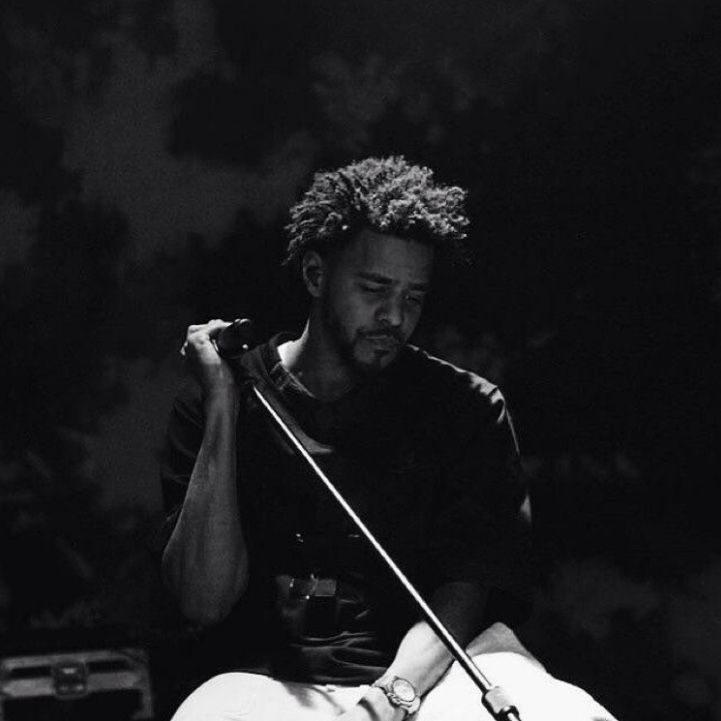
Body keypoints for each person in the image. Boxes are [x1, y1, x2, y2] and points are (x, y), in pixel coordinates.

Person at [157, 157, 617, 720]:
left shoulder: (467, 407)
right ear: (314, 276)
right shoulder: (218, 401)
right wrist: (224, 406)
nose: (394, 316)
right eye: (374, 288)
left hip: (439, 671)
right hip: (271, 685)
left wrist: (390, 699)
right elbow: (203, 601)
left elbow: (466, 587)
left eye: (413, 297)